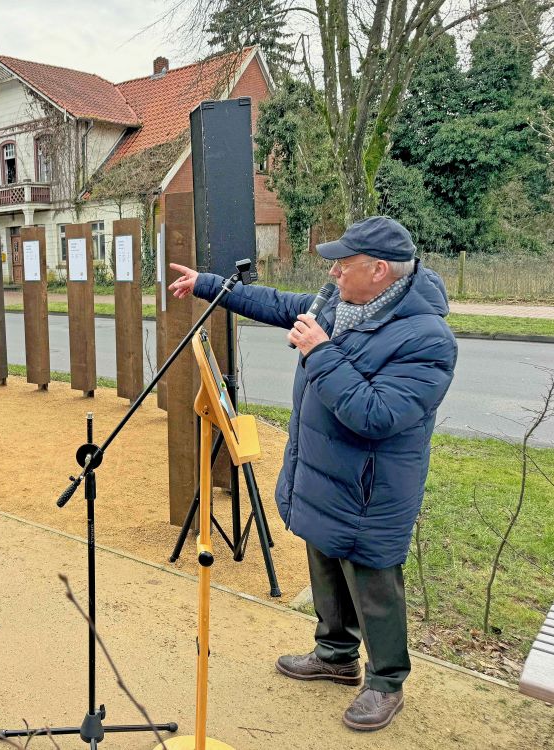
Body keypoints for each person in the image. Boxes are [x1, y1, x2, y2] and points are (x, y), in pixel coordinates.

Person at [168, 216, 457, 732]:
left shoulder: (427, 338)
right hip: (323, 475)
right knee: (324, 561)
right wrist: (207, 285)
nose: (334, 270)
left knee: (373, 584)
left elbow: (377, 414)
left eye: (344, 263)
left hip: (372, 490)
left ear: (380, 270)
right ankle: (335, 654)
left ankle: (387, 682)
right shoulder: (341, 301)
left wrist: (321, 352)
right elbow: (277, 304)